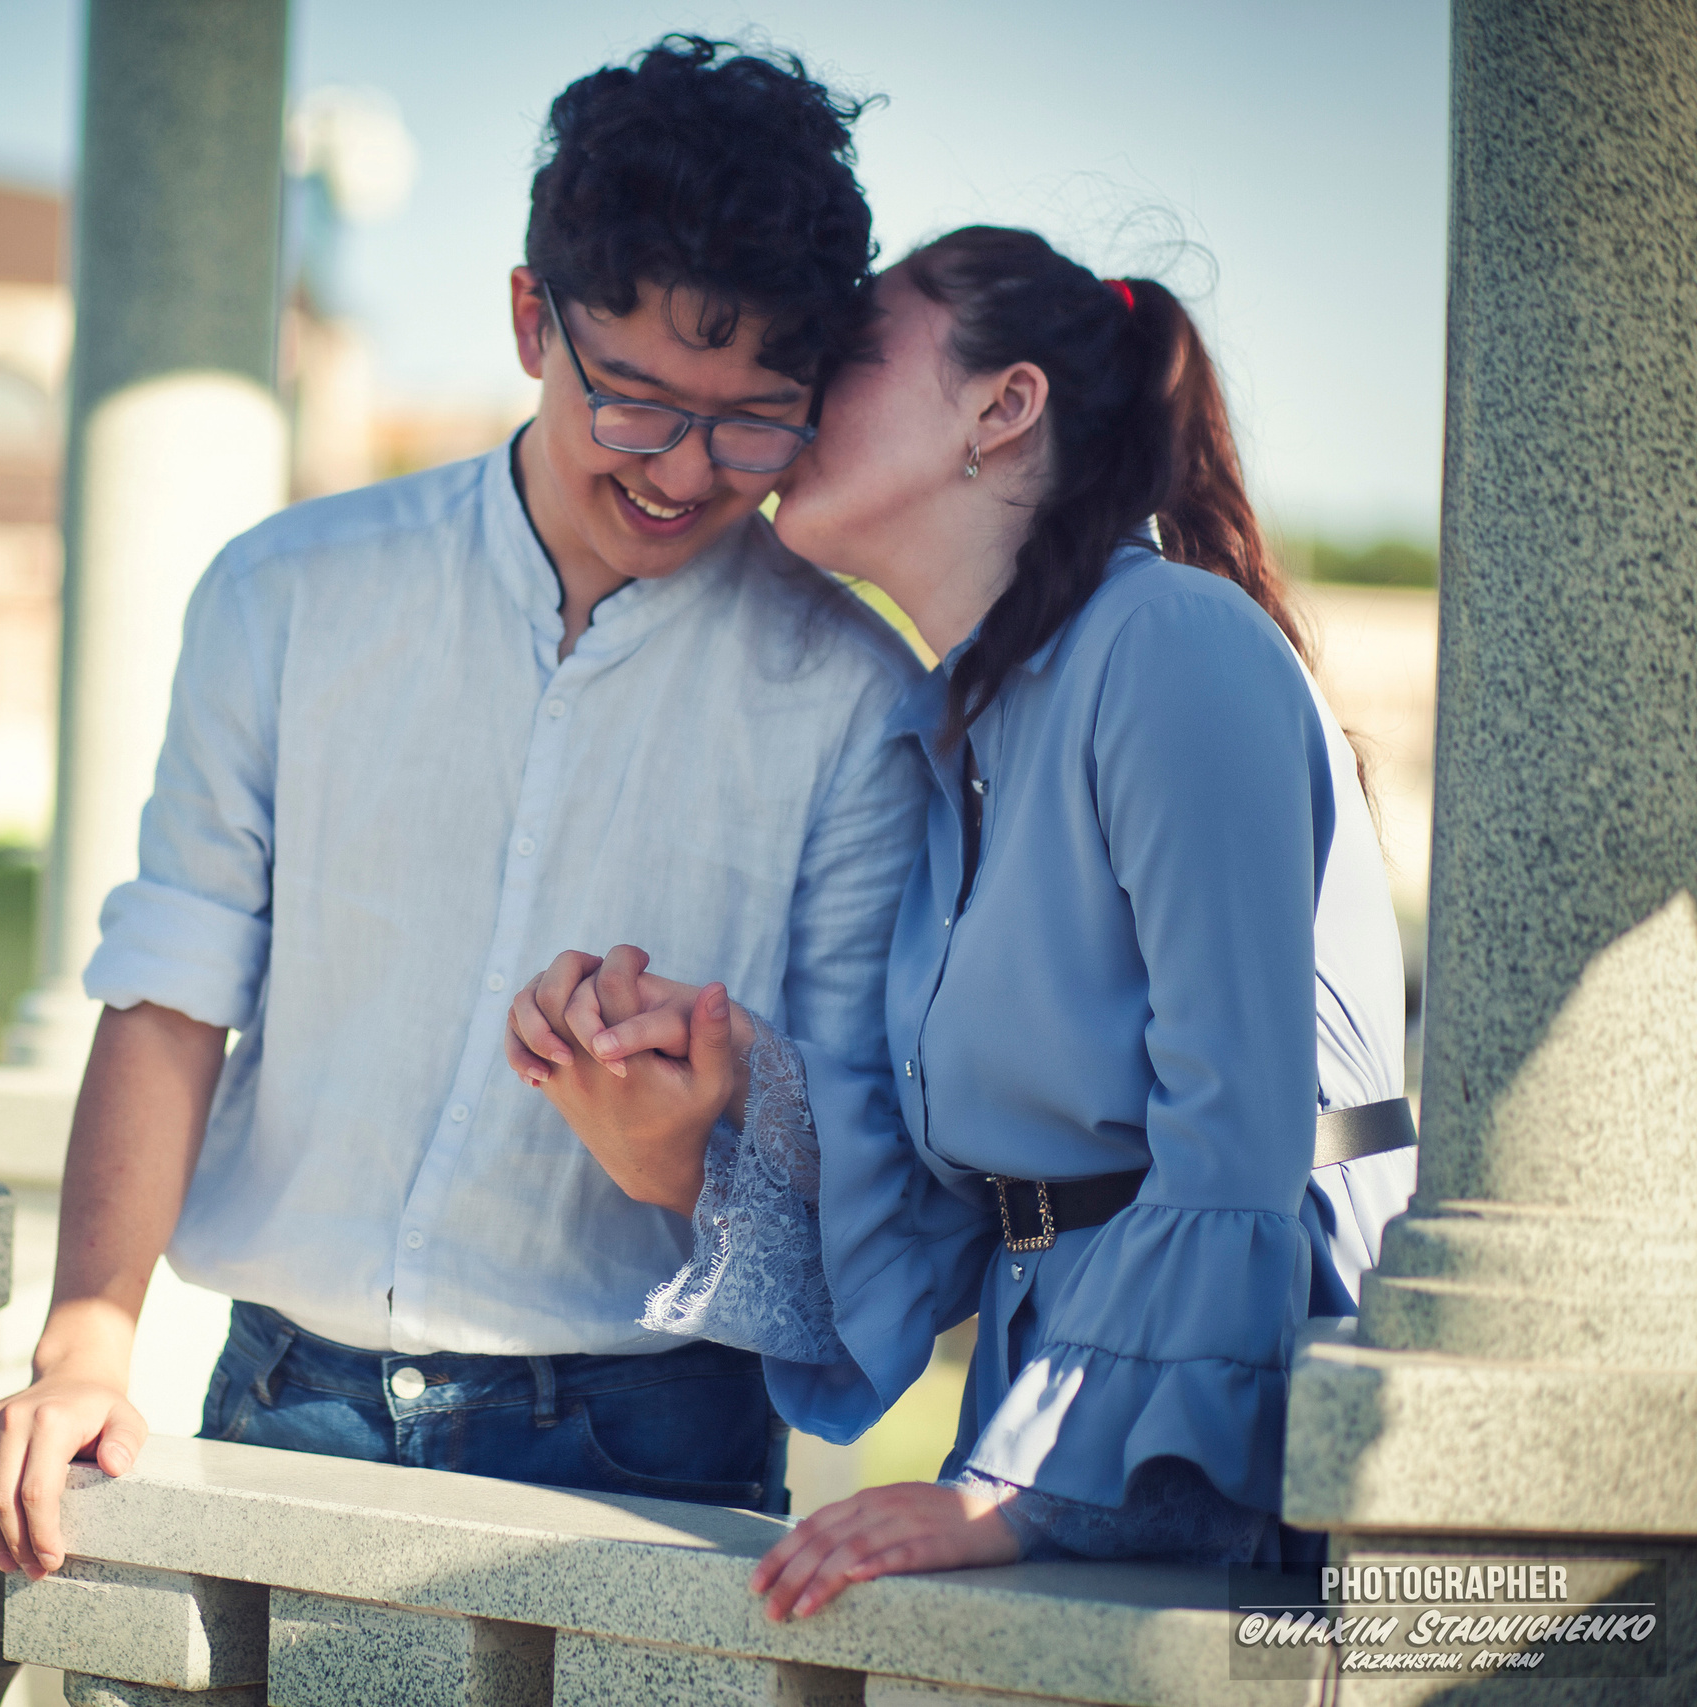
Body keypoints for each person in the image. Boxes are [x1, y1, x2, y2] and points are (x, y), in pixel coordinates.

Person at [0, 36, 932, 1579]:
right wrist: (84, 1347)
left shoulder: (866, 700)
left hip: (654, 1445)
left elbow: (868, 1144)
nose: (685, 471)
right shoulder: (287, 592)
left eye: (755, 419)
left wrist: (691, 1138)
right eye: (637, 402)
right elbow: (171, 987)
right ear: (533, 317)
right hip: (283, 1401)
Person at [505, 226, 1418, 1620]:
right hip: (1048, 1403)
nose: (799, 394)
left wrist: (1027, 1486)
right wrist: (727, 1082)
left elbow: (1241, 1137)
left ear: (1004, 408)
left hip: (1235, 1408)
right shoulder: (964, 725)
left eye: (853, 355)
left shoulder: (1171, 642)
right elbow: (957, 1208)